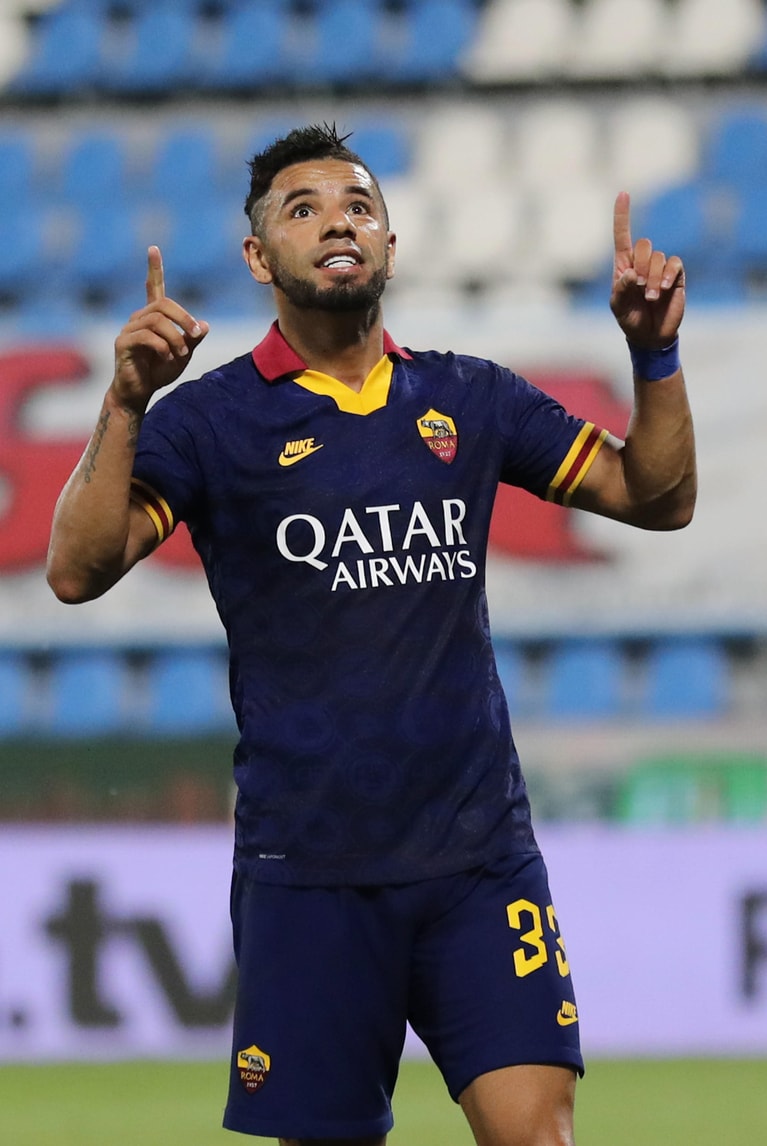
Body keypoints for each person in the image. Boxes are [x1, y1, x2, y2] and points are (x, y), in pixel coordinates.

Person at [47, 123, 696, 1146]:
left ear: (390, 242)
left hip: (478, 858)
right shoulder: (209, 422)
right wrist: (126, 402)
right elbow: (76, 571)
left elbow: (655, 500)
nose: (337, 223)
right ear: (258, 256)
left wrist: (652, 353)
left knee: (537, 1136)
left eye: (358, 206)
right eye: (302, 209)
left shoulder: (469, 397)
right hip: (309, 869)